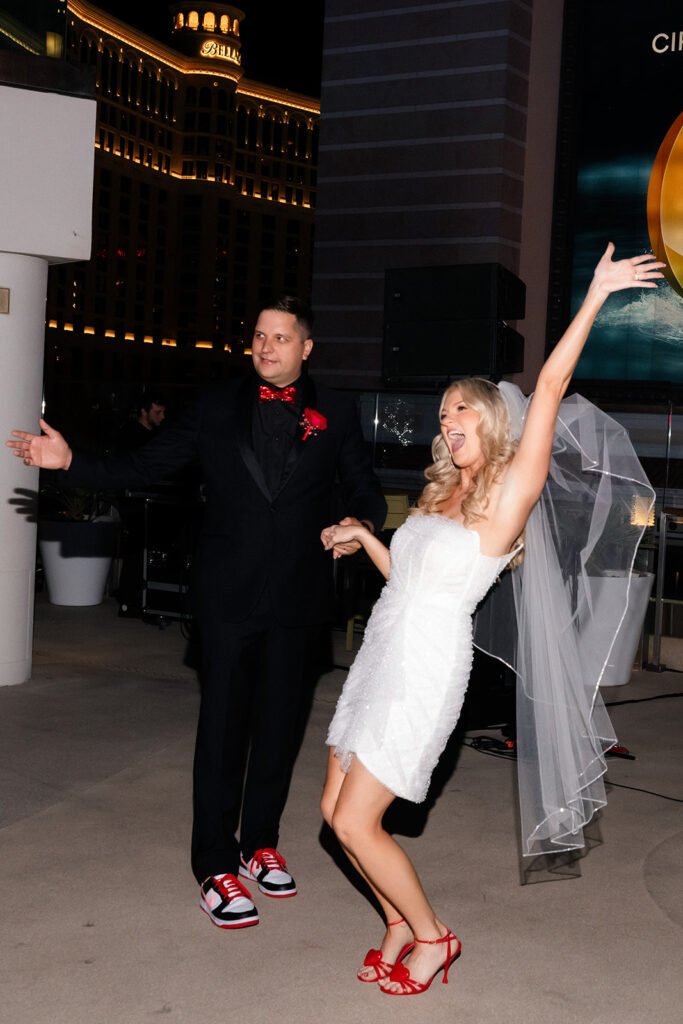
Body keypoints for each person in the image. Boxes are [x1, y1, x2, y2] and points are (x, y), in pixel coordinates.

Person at [319, 244, 663, 996]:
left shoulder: (507, 495)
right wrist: (369, 538)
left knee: (354, 825)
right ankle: (394, 922)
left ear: (493, 419)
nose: (446, 421)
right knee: (329, 808)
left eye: (461, 408)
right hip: (382, 650)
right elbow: (410, 582)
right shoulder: (439, 492)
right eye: (441, 412)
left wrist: (597, 294)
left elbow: (550, 383)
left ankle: (434, 937)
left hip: (423, 668)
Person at [7, 297, 387, 930]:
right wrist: (72, 462)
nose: (266, 348)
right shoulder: (216, 406)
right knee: (222, 730)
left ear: (306, 348)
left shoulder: (338, 411)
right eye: (259, 336)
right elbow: (147, 465)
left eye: (281, 338)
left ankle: (259, 842)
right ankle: (214, 865)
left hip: (298, 597)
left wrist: (363, 522)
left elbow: (362, 483)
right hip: (227, 598)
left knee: (279, 728)